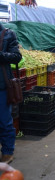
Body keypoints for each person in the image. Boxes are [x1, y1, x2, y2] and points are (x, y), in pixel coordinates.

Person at [0, 23, 22, 164]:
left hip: (2, 85)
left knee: (4, 120)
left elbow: (16, 56)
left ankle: (8, 152)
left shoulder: (7, 34)